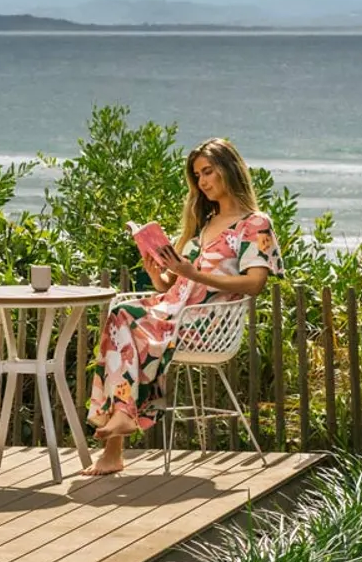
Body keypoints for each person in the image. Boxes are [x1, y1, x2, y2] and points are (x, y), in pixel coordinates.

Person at [83, 137, 280, 475]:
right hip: (174, 311)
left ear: (229, 169)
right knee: (121, 316)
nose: (202, 182)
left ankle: (118, 433)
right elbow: (176, 286)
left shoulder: (255, 224)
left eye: (208, 172)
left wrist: (194, 274)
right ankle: (120, 429)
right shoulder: (203, 224)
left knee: (126, 319)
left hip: (207, 323)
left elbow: (255, 283)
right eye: (197, 175)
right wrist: (159, 276)